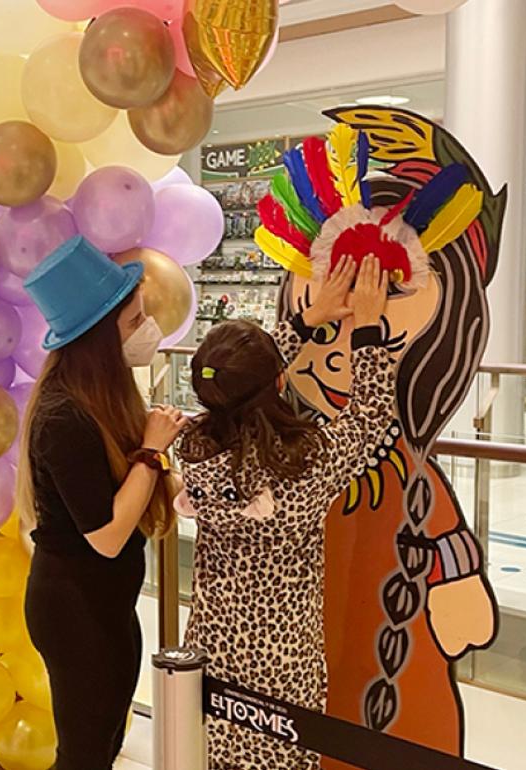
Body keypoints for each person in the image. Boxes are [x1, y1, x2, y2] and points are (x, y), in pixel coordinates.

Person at [176, 256, 395, 770]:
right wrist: (364, 329)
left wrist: (304, 320)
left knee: (216, 754)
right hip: (287, 661)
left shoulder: (191, 448)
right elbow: (370, 415)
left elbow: (237, 382)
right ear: (280, 382)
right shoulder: (309, 461)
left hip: (215, 643)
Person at [17, 236, 186, 770]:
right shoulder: (64, 415)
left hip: (108, 606)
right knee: (85, 751)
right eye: (135, 321)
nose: (146, 330)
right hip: (73, 608)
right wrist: (152, 452)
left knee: (107, 738)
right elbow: (107, 535)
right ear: (97, 337)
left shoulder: (105, 397)